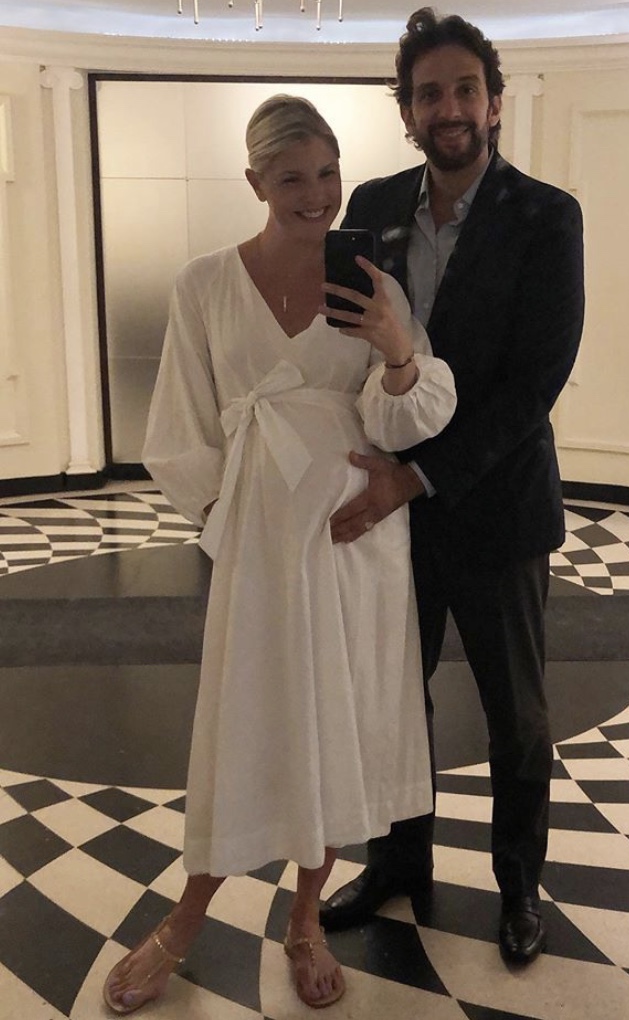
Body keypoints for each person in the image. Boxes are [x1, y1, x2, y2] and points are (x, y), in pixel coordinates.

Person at [101, 94, 456, 1014]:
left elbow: (402, 421)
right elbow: (178, 425)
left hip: (354, 538)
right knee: (247, 723)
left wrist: (396, 349)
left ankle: (304, 919)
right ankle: (186, 918)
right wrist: (232, 515)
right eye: (292, 177)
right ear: (254, 181)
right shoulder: (204, 284)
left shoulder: (372, 282)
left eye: (328, 173)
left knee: (336, 723)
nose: (316, 194)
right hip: (260, 546)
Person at [320, 8, 585, 966]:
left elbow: (534, 383)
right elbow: (346, 348)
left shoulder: (547, 216)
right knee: (396, 703)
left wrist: (419, 477)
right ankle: (398, 862)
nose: (450, 108)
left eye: (465, 89)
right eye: (429, 93)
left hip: (499, 508)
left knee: (518, 717)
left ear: (494, 102)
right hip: (394, 514)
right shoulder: (375, 204)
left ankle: (518, 886)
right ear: (408, 111)